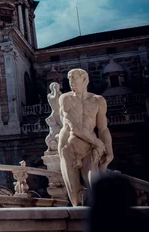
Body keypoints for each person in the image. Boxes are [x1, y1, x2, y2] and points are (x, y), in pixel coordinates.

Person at [58, 68, 113, 206]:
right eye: (70, 80)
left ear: (85, 80)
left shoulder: (98, 100)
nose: (71, 82)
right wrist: (97, 142)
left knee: (95, 188)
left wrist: (109, 150)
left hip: (89, 149)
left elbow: (103, 128)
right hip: (68, 148)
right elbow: (73, 125)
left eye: (74, 79)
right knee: (75, 196)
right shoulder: (66, 98)